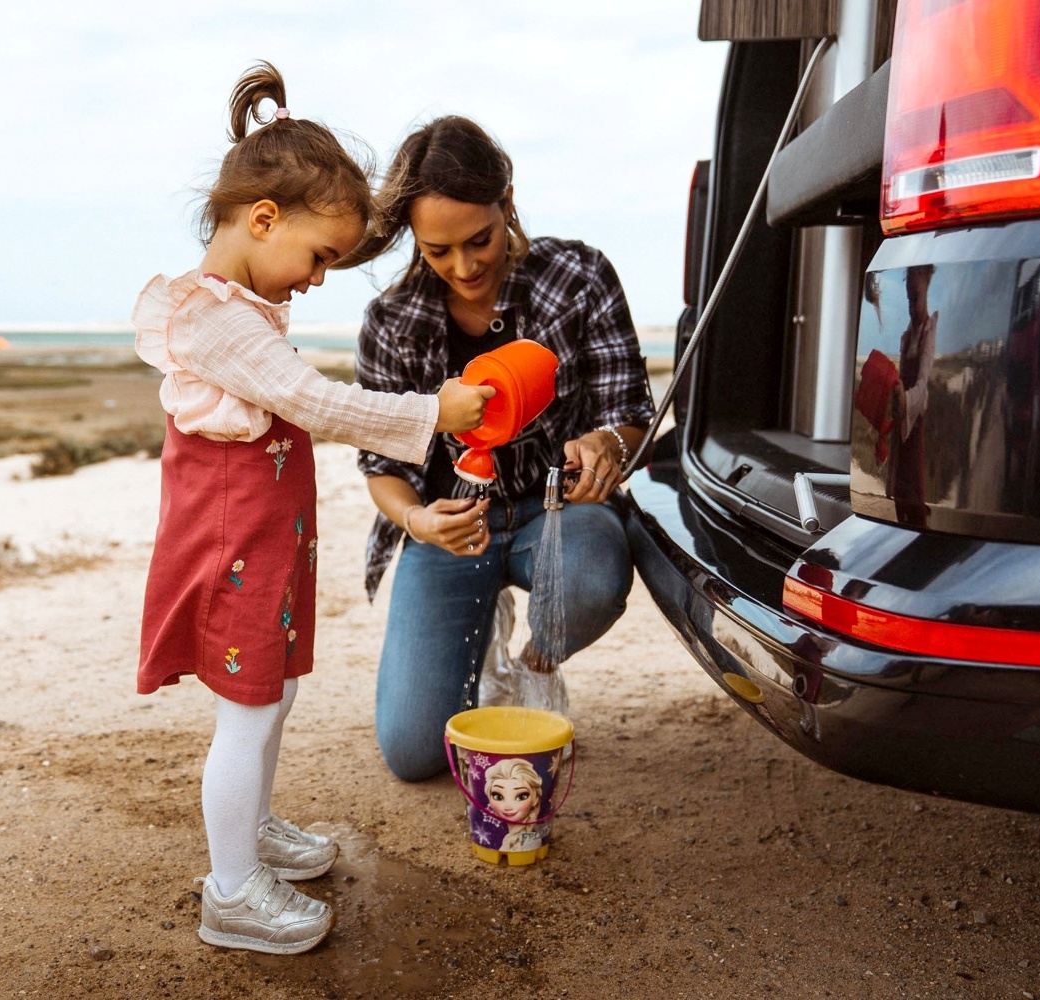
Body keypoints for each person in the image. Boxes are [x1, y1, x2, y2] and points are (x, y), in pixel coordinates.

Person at [132, 64, 492, 956]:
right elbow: (313, 402)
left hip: (265, 544)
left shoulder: (240, 311)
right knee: (248, 710)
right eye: (320, 256)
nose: (320, 279)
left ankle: (249, 833)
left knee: (274, 691)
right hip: (231, 550)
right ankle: (230, 892)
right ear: (263, 220)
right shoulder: (213, 319)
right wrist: (430, 413)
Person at [349, 116, 655, 781]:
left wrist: (604, 443)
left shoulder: (578, 276)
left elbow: (629, 413)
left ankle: (532, 663)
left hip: (561, 514)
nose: (464, 267)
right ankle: (480, 622)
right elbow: (381, 468)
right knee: (414, 753)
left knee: (592, 581)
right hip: (452, 528)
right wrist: (417, 521)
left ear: (506, 203)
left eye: (479, 240)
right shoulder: (391, 322)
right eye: (437, 250)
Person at [483, 757, 544, 854]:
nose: (508, 807)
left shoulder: (530, 840)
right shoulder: (508, 838)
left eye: (521, 796)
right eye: (498, 796)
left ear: (535, 799)